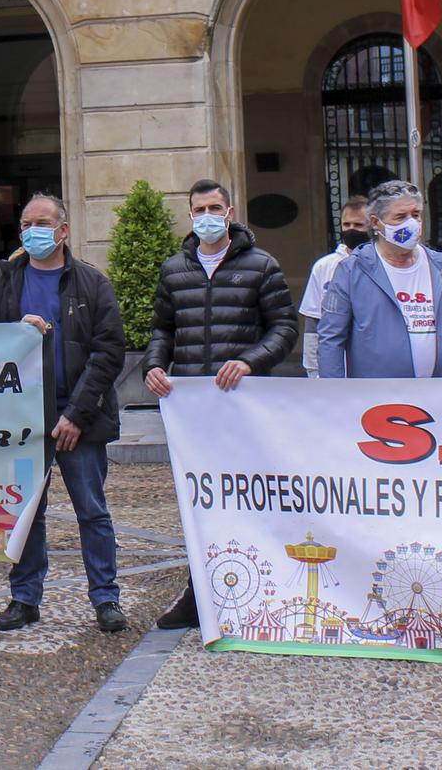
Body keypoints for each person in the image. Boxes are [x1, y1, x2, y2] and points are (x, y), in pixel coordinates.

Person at [0, 193, 125, 635]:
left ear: (63, 230)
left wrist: (76, 414)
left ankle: (105, 599)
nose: (33, 231)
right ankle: (24, 598)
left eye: (42, 222)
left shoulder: (92, 283)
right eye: (26, 223)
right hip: (24, 421)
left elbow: (109, 350)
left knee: (92, 511)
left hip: (81, 421)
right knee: (26, 513)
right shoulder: (3, 282)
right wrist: (15, 332)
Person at [144, 179, 297, 630]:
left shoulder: (261, 266)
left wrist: (250, 362)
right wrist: (155, 365)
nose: (206, 216)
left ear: (230, 212)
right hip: (191, 410)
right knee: (198, 503)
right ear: (189, 215)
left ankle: (261, 589)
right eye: (198, 209)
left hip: (243, 407)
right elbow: (162, 330)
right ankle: (198, 594)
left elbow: (284, 328)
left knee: (249, 499)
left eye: (214, 207)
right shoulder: (175, 269)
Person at [314, 180, 442, 382]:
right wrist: (334, 392)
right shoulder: (353, 269)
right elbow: (331, 338)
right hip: (377, 397)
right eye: (400, 217)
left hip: (437, 393)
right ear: (376, 222)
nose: (411, 223)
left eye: (415, 215)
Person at [297, 197, 369, 377]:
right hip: (334, 364)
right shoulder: (324, 266)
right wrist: (313, 369)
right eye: (346, 224)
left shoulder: (383, 266)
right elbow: (313, 321)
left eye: (359, 225)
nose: (351, 230)